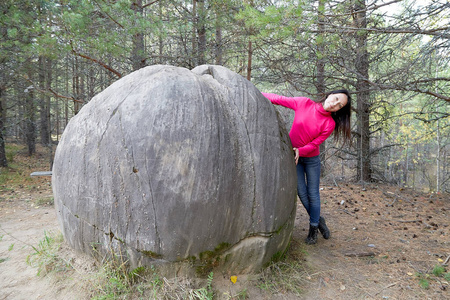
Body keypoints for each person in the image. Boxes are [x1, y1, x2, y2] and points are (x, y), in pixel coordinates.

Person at [262, 90, 352, 244]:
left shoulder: (329, 123)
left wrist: (300, 151)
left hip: (311, 160)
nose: (335, 104)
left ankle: (313, 229)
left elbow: (315, 144)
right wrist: (255, 91)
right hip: (294, 158)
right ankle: (319, 220)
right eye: (336, 99)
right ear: (329, 94)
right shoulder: (304, 103)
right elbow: (278, 99)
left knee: (313, 194)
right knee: (301, 193)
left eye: (340, 105)